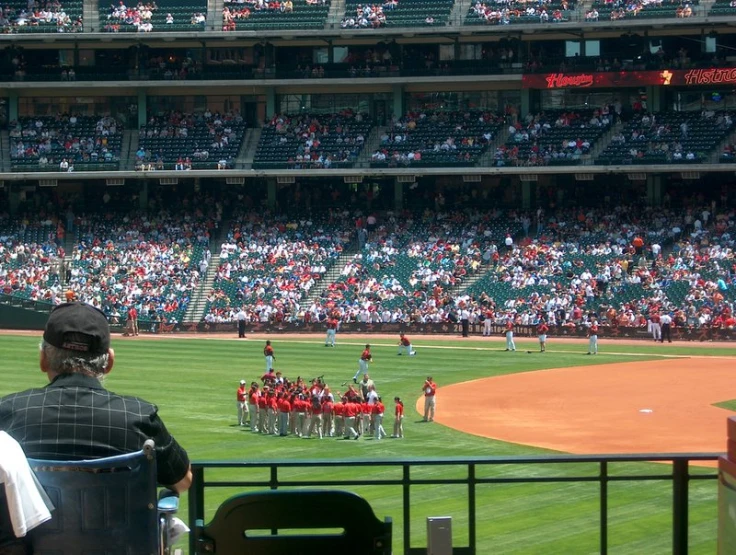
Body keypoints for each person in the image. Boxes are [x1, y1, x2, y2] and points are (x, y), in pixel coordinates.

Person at [0, 302, 192, 492]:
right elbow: (183, 481)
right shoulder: (139, 416)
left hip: (34, 524)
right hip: (118, 523)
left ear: (43, 360)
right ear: (108, 362)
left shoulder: (8, 412)